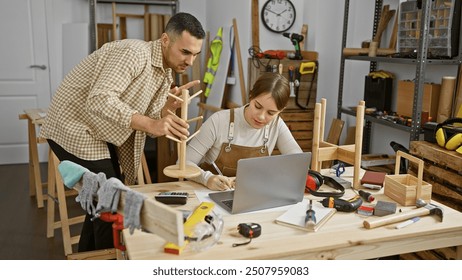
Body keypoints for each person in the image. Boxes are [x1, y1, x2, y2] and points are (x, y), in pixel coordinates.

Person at [40, 12, 205, 252]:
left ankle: (89, 259)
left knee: (102, 201)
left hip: (98, 130)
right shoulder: (134, 53)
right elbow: (99, 100)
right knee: (112, 202)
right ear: (165, 40)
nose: (190, 61)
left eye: (195, 54)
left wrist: (163, 112)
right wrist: (151, 123)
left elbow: (147, 118)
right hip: (74, 125)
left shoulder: (165, 73)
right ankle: (110, 263)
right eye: (185, 52)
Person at [186, 72, 303, 191]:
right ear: (251, 96)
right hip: (210, 194)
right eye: (257, 106)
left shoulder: (276, 124)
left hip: (252, 194)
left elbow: (298, 162)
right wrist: (206, 179)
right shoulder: (218, 121)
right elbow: (184, 163)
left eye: (271, 113)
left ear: (280, 111)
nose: (261, 117)